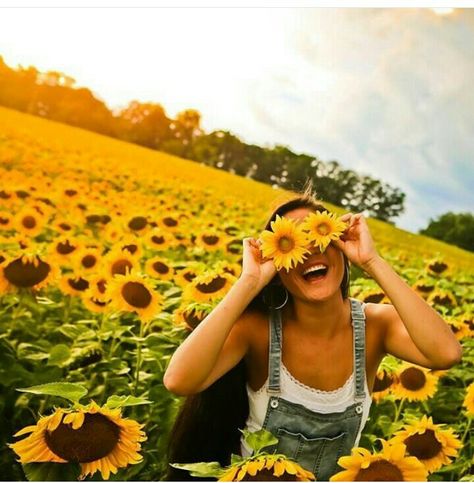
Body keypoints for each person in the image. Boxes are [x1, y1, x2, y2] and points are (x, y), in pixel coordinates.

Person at [163, 185, 462, 481]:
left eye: (321, 235)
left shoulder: (374, 326)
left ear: (342, 245)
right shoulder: (259, 330)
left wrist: (372, 262)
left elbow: (445, 353)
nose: (310, 251)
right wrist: (249, 282)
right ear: (277, 269)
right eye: (292, 243)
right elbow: (179, 379)